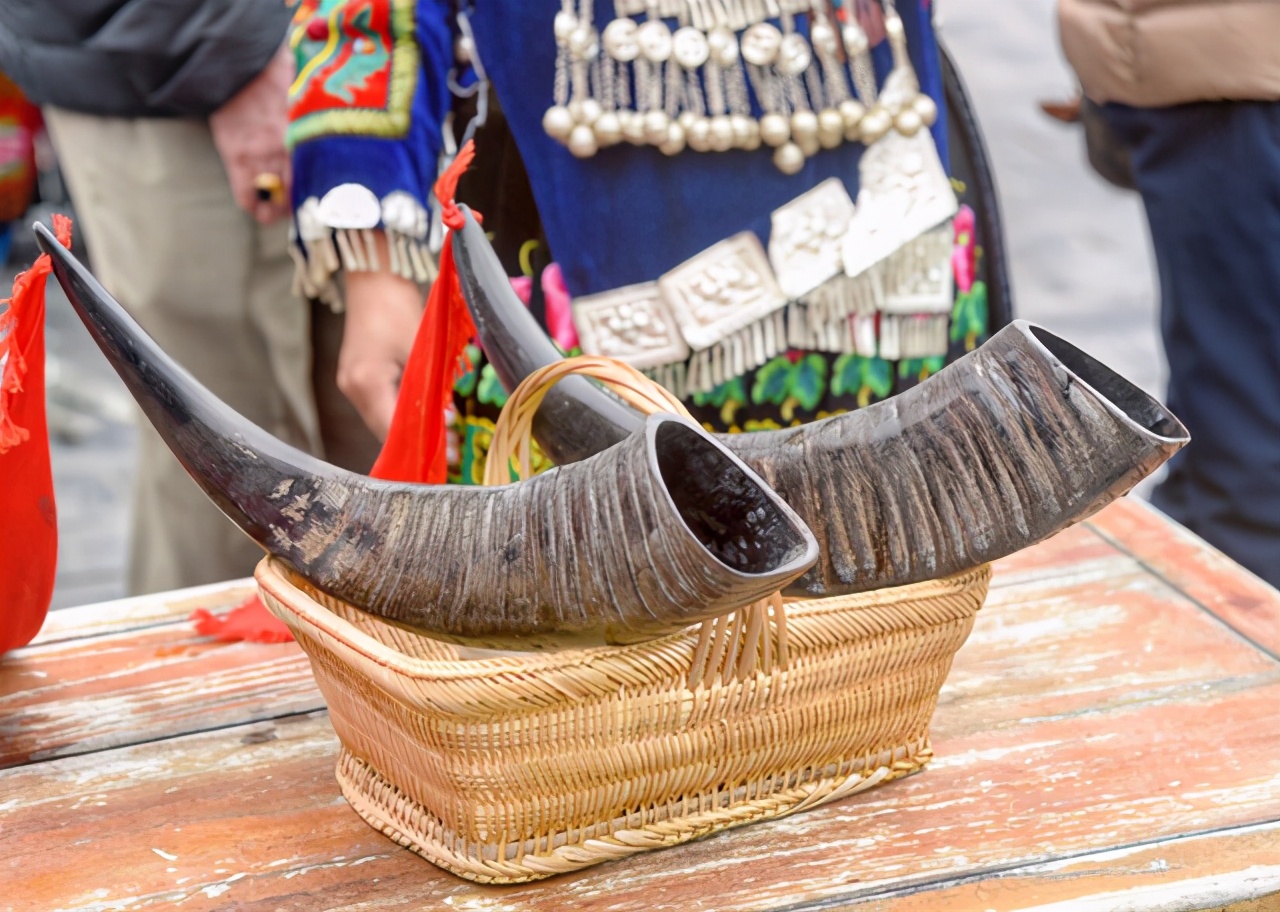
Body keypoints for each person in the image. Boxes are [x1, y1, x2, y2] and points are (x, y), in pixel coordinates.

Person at [284, 0, 1008, 483]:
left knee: (883, 629)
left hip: (879, 226)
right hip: (570, 240)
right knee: (575, 655)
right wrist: (372, 260)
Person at [0, 0, 380, 593]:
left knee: (369, 449)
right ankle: (232, 686)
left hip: (346, 45)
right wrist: (228, 50)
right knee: (238, 473)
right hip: (163, 51)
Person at [1059, 0, 1280, 588]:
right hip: (1213, 64)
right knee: (1238, 429)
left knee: (1244, 451)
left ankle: (1233, 623)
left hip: (1229, 72)